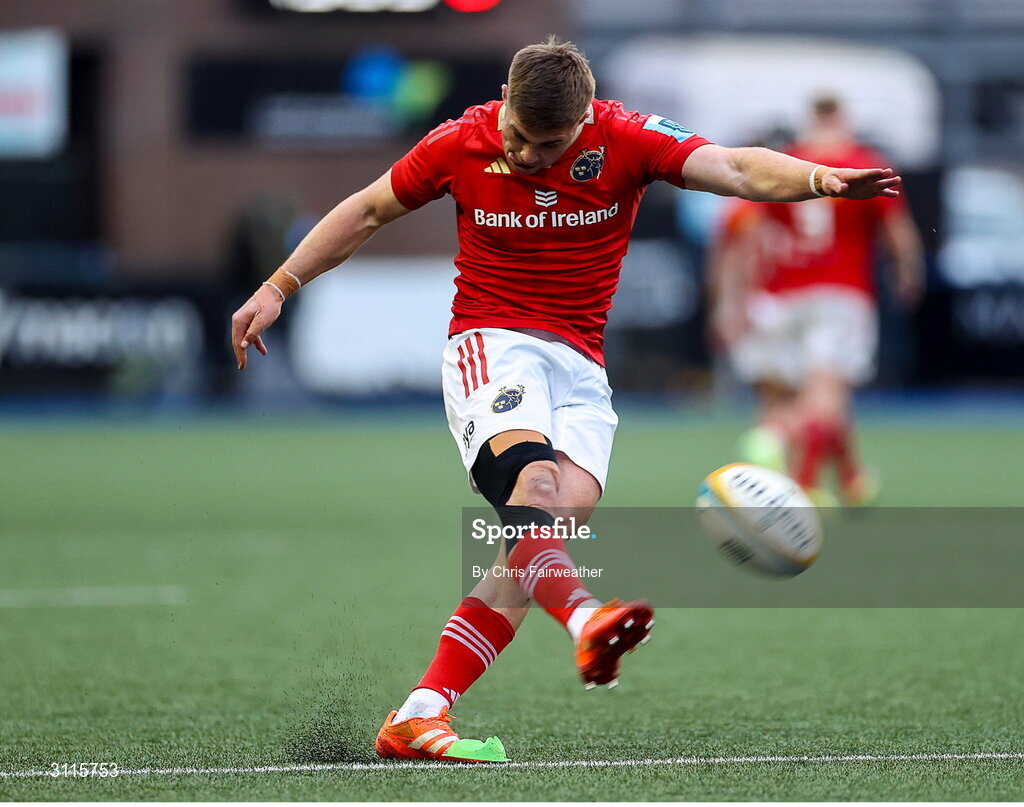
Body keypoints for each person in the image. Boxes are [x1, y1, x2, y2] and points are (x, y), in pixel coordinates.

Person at [231, 41, 905, 763]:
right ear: (504, 100)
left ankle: (419, 713)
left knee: (540, 539)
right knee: (536, 492)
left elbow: (736, 167)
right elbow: (366, 210)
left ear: (585, 119)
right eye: (517, 133)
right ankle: (586, 618)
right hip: (492, 343)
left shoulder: (629, 137)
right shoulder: (462, 140)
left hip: (581, 369)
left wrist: (820, 180)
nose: (524, 151)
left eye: (545, 142)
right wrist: (278, 285)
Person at [708, 97, 924, 506]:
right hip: (840, 294)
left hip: (778, 297)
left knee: (793, 394)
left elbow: (745, 237)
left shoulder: (789, 163)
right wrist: (908, 271)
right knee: (825, 395)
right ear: (844, 119)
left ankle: (851, 479)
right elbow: (897, 228)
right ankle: (793, 465)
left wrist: (734, 302)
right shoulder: (865, 162)